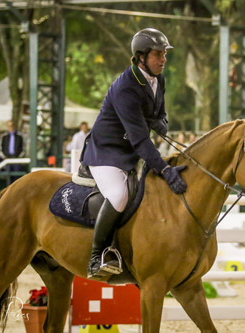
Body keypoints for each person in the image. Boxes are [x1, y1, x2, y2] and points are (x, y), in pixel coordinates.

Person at [81, 28, 187, 279]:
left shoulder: (158, 78)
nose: (163, 59)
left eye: (164, 54)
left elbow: (159, 112)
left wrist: (162, 121)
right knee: (119, 195)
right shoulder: (125, 88)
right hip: (106, 152)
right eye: (158, 54)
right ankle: (97, 257)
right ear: (141, 57)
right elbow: (140, 139)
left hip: (130, 152)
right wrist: (164, 168)